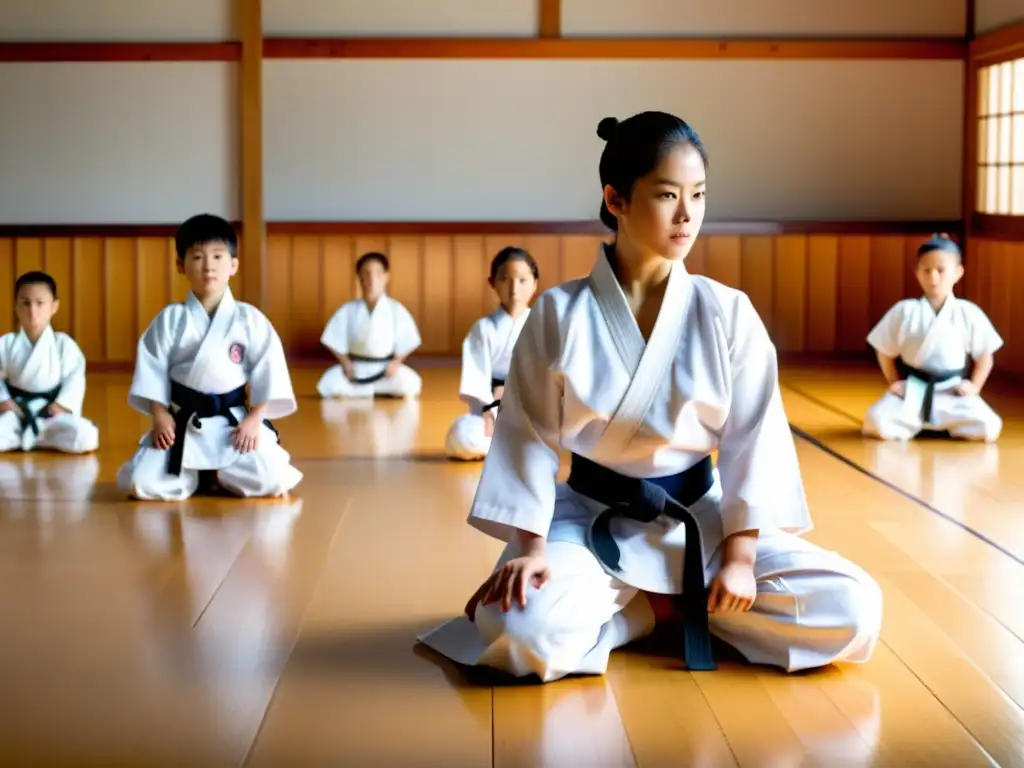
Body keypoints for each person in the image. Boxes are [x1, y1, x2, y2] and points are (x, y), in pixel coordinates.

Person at [417, 111, 882, 683]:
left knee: (853, 610)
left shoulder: (727, 312)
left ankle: (648, 611)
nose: (687, 215)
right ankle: (646, 614)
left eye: (699, 195)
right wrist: (529, 549)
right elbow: (527, 440)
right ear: (616, 200)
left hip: (702, 521)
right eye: (667, 195)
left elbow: (754, 441)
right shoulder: (559, 313)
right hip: (588, 520)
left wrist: (739, 558)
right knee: (520, 629)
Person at [116, 214, 303, 501]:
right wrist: (159, 414)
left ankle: (211, 473)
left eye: (217, 256)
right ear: (181, 265)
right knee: (142, 484)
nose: (208, 266)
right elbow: (150, 370)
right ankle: (203, 473)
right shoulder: (169, 320)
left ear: (233, 265)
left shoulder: (249, 319)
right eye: (197, 257)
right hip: (183, 424)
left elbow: (270, 370)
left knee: (274, 481)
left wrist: (255, 418)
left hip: (233, 424)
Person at [863, 234, 1003, 442]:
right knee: (876, 421)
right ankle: (932, 425)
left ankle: (931, 426)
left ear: (958, 273)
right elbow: (884, 351)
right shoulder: (905, 311)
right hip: (914, 389)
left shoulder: (968, 312)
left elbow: (985, 357)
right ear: (917, 273)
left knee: (989, 426)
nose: (933, 277)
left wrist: (974, 386)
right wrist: (895, 382)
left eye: (941, 270)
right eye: (926, 271)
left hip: (952, 391)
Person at [445, 246, 539, 461]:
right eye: (506, 280)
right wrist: (488, 410)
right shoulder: (484, 328)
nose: (514, 288)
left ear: (535, 284)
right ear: (493, 283)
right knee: (464, 436)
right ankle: (512, 448)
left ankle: (511, 447)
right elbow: (476, 377)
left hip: (532, 407)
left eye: (523, 280)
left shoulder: (542, 325)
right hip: (493, 408)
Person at [0, 271, 99, 454]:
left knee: (86, 436)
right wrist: (3, 401)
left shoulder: (64, 345)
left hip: (51, 414)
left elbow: (75, 379)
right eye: (25, 303)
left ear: (54, 306)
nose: (32, 311)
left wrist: (61, 405)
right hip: (16, 413)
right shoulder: (5, 343)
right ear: (15, 306)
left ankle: (29, 437)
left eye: (40, 303)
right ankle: (33, 436)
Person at [317, 252, 422, 399]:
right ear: (359, 278)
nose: (372, 280)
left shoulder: (395, 309)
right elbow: (333, 338)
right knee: (328, 384)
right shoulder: (348, 310)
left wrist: (396, 363)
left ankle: (364, 391)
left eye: (378, 274)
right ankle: (376, 391)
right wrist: (346, 363)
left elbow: (408, 340)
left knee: (410, 384)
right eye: (366, 274)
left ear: (386, 277)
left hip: (385, 370)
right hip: (356, 368)